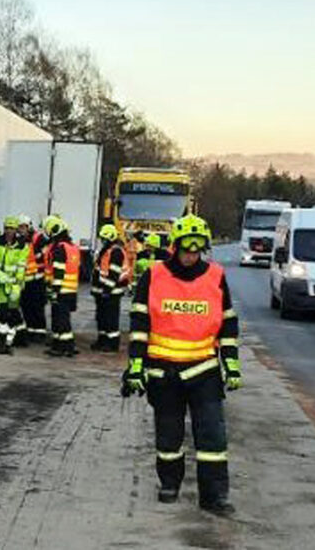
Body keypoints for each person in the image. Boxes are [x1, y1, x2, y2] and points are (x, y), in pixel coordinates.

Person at [122, 213, 241, 517]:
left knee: (212, 437)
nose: (191, 255)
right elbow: (139, 323)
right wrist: (136, 365)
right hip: (165, 373)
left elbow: (227, 324)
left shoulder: (215, 276)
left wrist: (232, 364)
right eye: (186, 248)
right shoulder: (155, 275)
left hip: (204, 372)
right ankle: (169, 484)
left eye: (197, 249)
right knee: (168, 435)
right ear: (175, 245)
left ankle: (214, 497)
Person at [42, 215, 80, 357]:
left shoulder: (59, 248)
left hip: (61, 290)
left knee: (61, 321)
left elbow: (58, 271)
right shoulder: (71, 247)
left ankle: (65, 347)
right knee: (61, 320)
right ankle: (59, 345)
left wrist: (54, 291)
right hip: (70, 290)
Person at [0, 216, 29, 354]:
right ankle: (2, 343)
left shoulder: (22, 245)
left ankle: (8, 343)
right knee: (3, 313)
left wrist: (17, 281)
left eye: (12, 228)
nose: (9, 231)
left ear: (16, 230)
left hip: (14, 286)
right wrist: (0, 276)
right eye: (7, 228)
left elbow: (21, 265)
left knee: (12, 314)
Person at [91, 224, 128, 351]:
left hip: (112, 292)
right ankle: (102, 340)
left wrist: (107, 291)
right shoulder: (106, 251)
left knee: (111, 319)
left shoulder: (116, 252)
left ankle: (112, 344)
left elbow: (114, 274)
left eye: (104, 239)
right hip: (103, 291)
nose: (102, 241)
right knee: (101, 318)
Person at [19, 215, 49, 345]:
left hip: (37, 279)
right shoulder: (20, 240)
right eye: (19, 227)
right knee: (26, 307)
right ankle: (31, 331)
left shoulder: (39, 238)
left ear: (29, 226)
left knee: (37, 307)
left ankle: (40, 332)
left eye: (23, 227)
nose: (21, 230)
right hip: (26, 280)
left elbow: (46, 255)